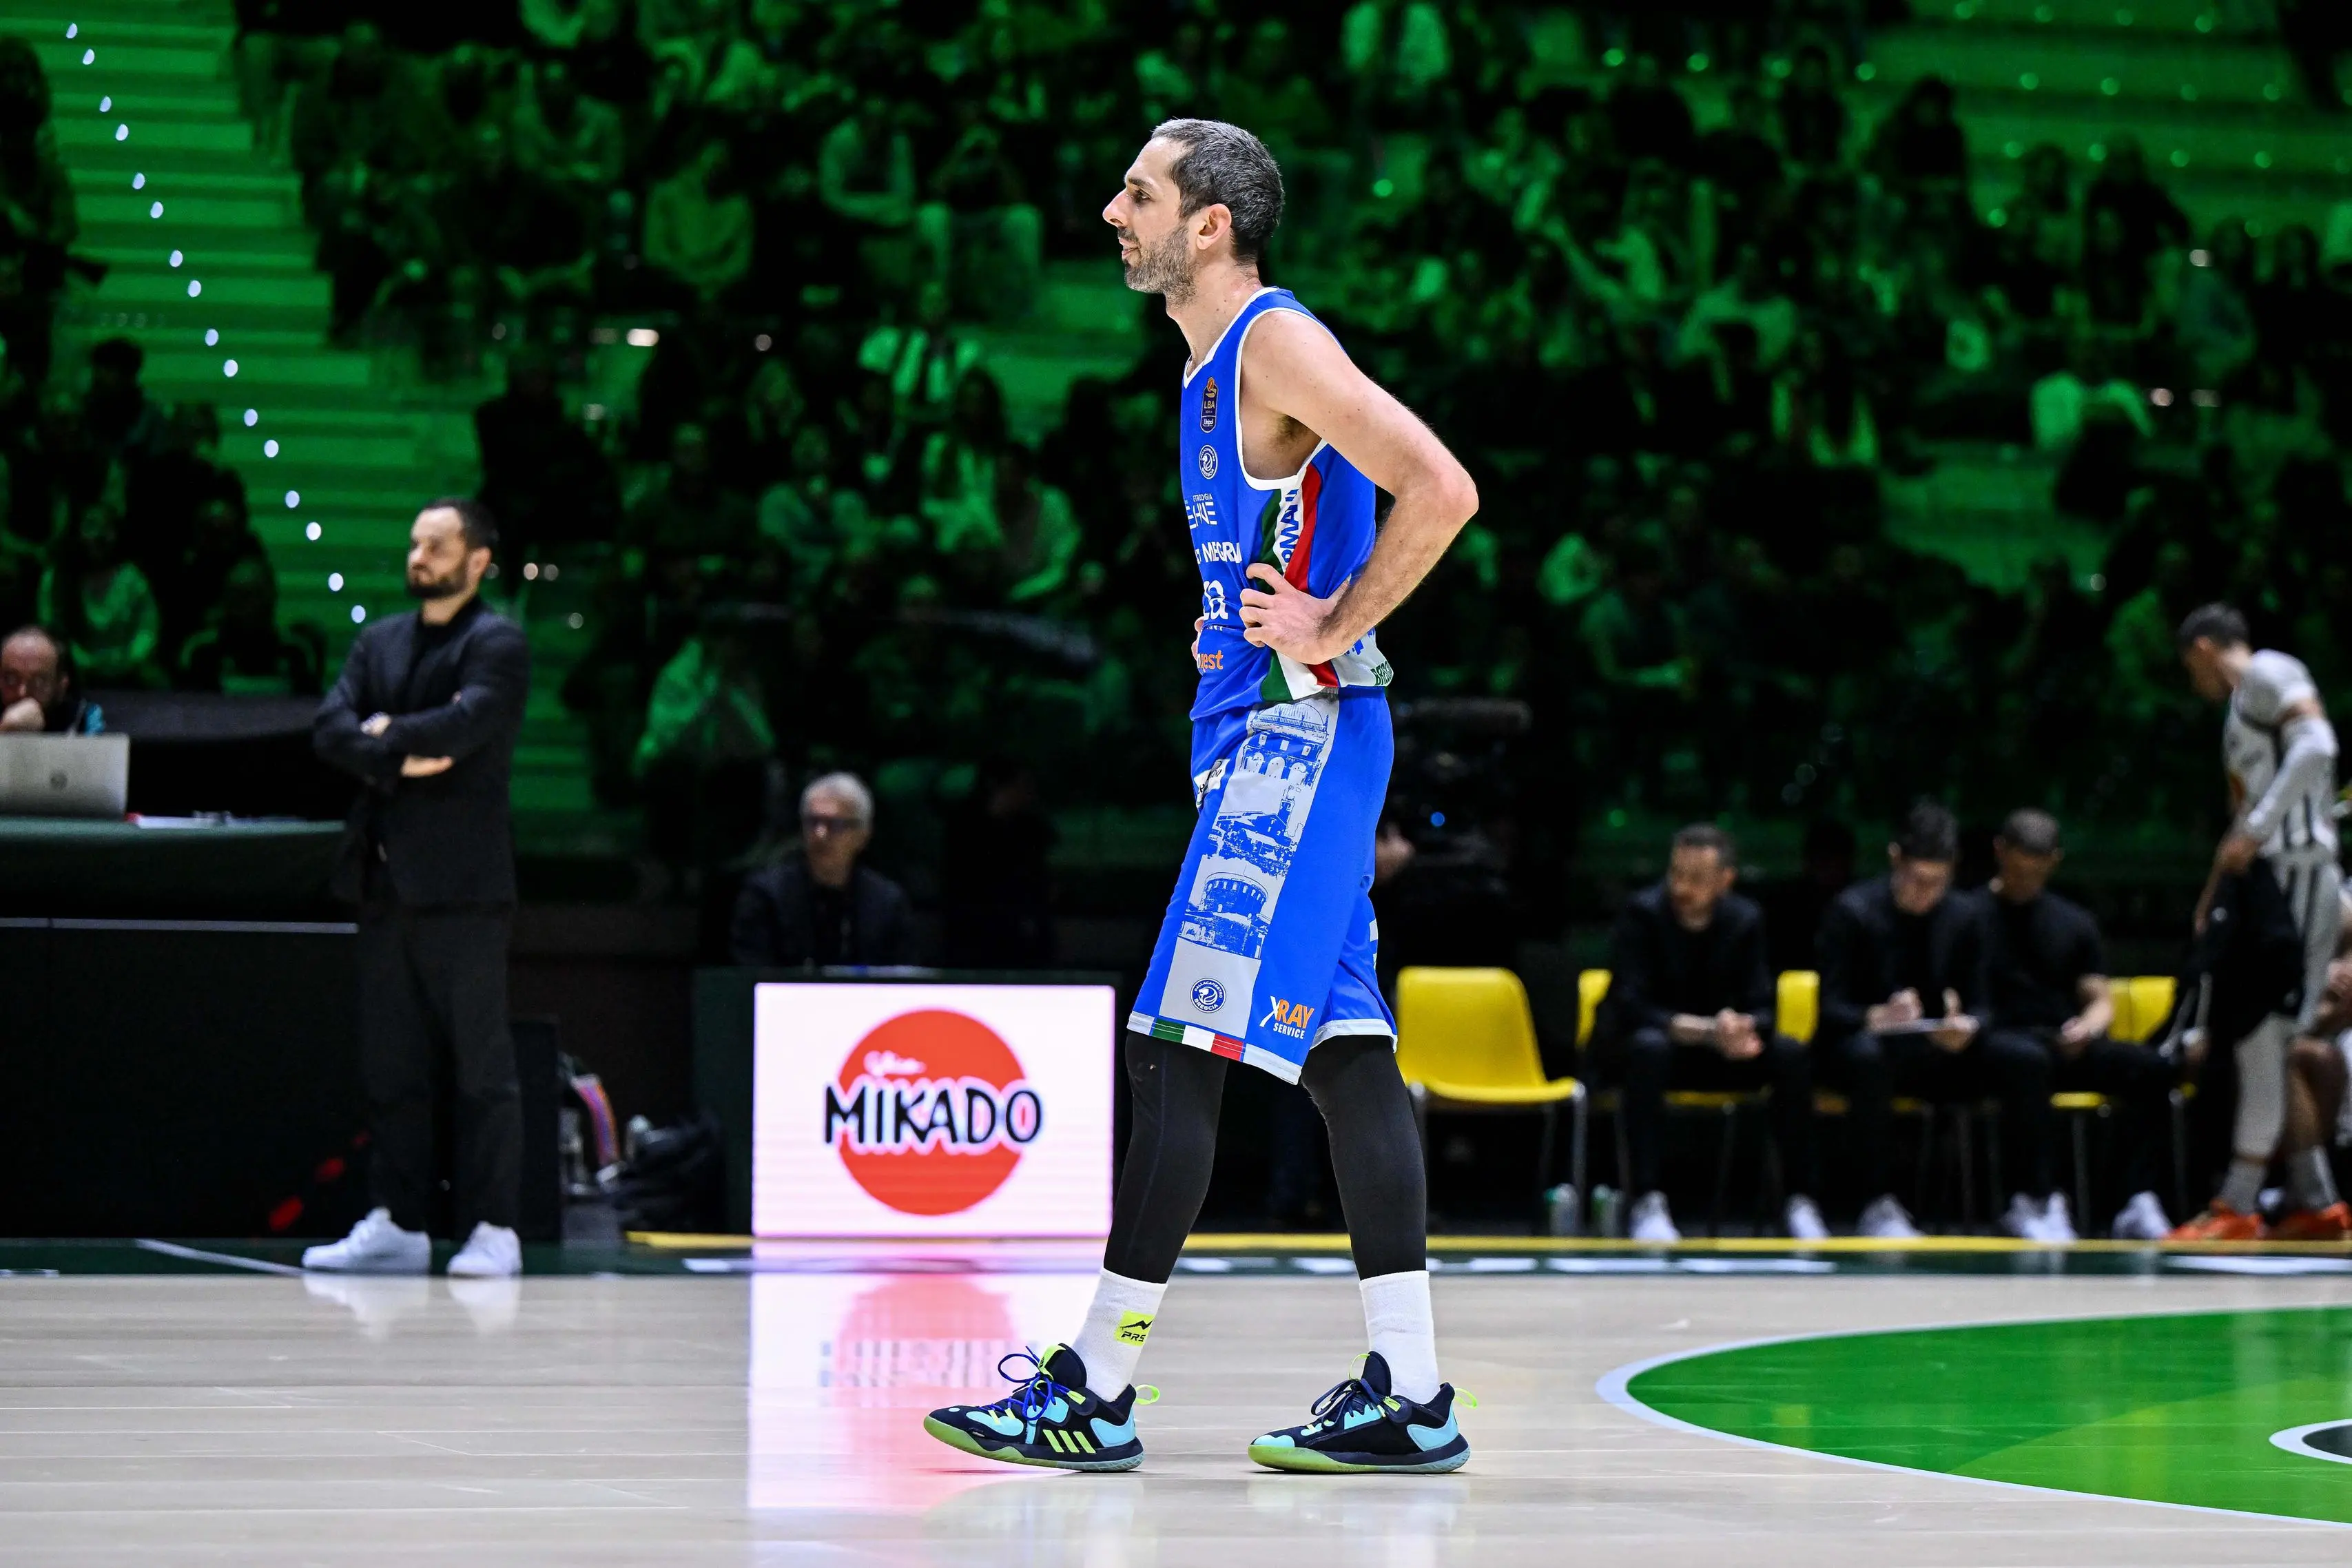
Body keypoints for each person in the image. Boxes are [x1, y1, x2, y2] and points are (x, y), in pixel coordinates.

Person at [924, 118, 1479, 1476]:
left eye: (1139, 193)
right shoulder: (1203, 373)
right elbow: (1292, 535)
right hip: (1270, 731)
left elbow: (1445, 487)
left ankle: (1096, 1386)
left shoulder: (1274, 341)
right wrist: (1240, 633)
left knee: (1176, 1048)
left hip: (1301, 742)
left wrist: (1336, 623)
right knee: (1349, 1055)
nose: (1113, 211)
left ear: (1212, 222)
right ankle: (1410, 1387)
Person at [306, 498, 531, 1280]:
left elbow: (467, 728)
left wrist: (386, 739)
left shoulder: (496, 641)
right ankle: (399, 1221)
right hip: (382, 878)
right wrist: (408, 751)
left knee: (480, 1067)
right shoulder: (381, 639)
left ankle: (495, 1225)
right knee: (391, 1067)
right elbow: (329, 728)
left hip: (463, 886)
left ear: (477, 560)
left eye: (436, 544)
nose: (419, 555)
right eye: (414, 543)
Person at [2172, 603, 2343, 1238]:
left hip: (2292, 872)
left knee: (2260, 1039)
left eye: (2193, 667)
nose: (2195, 682)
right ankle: (2316, 1201)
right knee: (2269, 1042)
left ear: (2208, 648)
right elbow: (2240, 826)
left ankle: (2239, 1203)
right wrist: (2214, 894)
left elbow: (2320, 745)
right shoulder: (2242, 711)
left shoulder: (2268, 672)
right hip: (2269, 880)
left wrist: (2262, 830)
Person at [1817, 800, 2054, 1240]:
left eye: (1937, 883)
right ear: (1895, 860)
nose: (1926, 893)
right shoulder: (1852, 911)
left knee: (2026, 1058)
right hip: (1872, 1048)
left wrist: (1968, 1024)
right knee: (1868, 1059)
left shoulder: (1966, 915)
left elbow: (1985, 1003)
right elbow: (1830, 1010)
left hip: (1942, 1049)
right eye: (1916, 881)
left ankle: (2032, 1201)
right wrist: (1876, 1016)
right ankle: (1877, 1203)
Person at [1593, 824, 1826, 1244]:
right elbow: (1629, 1004)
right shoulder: (1642, 914)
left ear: (1725, 881)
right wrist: (1699, 1030)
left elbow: (1764, 1006)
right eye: (1676, 874)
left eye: (1696, 879)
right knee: (1649, 1048)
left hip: (1720, 1053)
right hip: (1655, 1047)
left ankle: (1799, 1199)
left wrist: (1743, 1027)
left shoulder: (1746, 920)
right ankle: (1647, 1199)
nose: (1682, 887)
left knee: (1789, 1055)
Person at [1970, 809, 2176, 1241]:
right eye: (2018, 869)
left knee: (2151, 1066)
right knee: (2026, 1062)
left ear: (2054, 862)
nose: (2026, 880)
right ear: (1999, 853)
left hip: (2063, 1042)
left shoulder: (2073, 921)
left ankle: (2137, 1198)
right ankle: (2036, 1199)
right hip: (1997, 1047)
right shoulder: (1967, 916)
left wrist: (2087, 1028)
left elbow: (2100, 1000)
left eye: (2037, 871)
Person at [729, 773, 916, 968]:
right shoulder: (766, 896)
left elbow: (902, 979)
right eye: (813, 822)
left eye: (835, 825)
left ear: (863, 835)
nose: (820, 834)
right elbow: (750, 977)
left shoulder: (887, 902)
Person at [0, 622, 101, 732]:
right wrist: (5, 733)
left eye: (38, 683)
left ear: (61, 686)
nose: (22, 692)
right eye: (11, 680)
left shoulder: (84, 720)